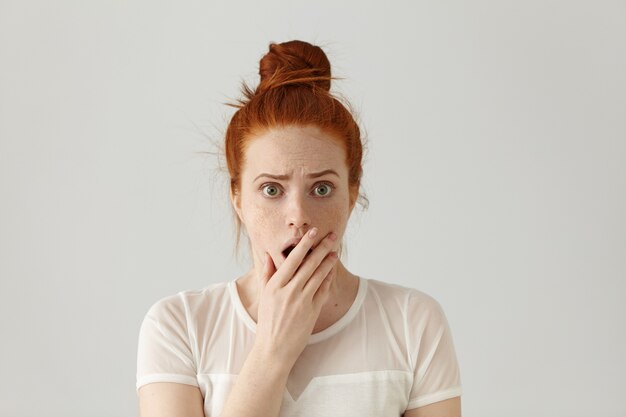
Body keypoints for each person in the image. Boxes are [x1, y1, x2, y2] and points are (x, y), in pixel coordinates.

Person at [136, 40, 462, 417]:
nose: (298, 216)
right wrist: (273, 351)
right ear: (238, 197)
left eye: (321, 189)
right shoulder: (179, 325)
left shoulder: (412, 322)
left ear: (352, 194)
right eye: (271, 189)